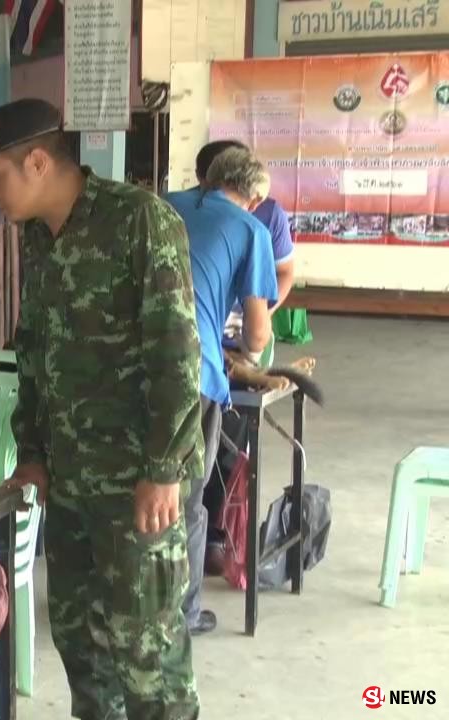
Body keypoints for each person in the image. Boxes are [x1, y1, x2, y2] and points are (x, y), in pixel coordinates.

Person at [0, 98, 202, 720]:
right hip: (71, 480)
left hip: (136, 481)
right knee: (81, 643)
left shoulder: (140, 222)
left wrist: (163, 467)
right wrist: (35, 453)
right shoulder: (39, 238)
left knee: (147, 653)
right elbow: (35, 352)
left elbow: (177, 353)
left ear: (38, 162)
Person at [165, 147, 280, 636]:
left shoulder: (164, 204)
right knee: (188, 498)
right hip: (195, 374)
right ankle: (183, 614)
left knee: (130, 489)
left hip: (126, 368)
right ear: (253, 199)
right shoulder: (251, 229)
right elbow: (255, 338)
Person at [192, 140, 297, 355]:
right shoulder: (253, 230)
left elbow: (285, 272)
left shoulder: (267, 217)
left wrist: (262, 315)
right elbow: (257, 338)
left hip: (220, 329)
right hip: (199, 331)